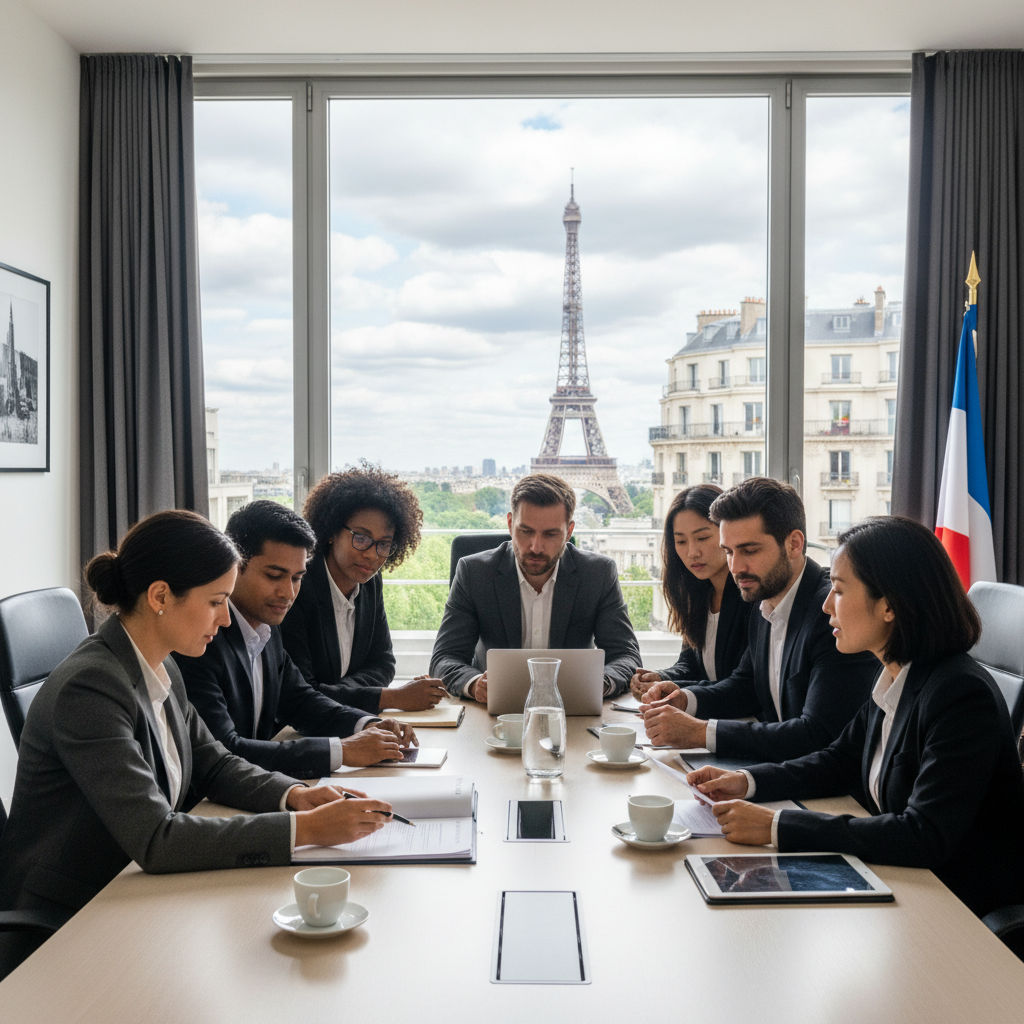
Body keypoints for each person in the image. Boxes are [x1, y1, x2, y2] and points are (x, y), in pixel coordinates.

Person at [0, 510, 396, 927]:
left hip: (131, 890)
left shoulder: (162, 666)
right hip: (68, 915)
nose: (225, 619)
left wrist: (295, 796)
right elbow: (157, 838)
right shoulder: (92, 688)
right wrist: (306, 829)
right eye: (215, 602)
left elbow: (215, 764)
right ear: (160, 597)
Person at [687, 516, 1024, 918]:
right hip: (901, 882)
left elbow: (923, 834)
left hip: (953, 908)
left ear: (889, 606)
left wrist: (777, 826)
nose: (827, 604)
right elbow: (839, 760)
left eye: (840, 590)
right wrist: (747, 781)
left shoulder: (959, 695)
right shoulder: (897, 673)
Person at [641, 476, 877, 761]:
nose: (736, 567)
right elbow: (745, 685)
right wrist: (686, 699)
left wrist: (701, 732)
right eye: (729, 551)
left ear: (794, 544)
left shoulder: (831, 614)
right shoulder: (761, 601)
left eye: (749, 550)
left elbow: (818, 734)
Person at [176, 500, 417, 778]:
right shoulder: (201, 641)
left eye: (297, 578)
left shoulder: (267, 628)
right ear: (234, 565)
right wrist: (343, 751)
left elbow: (300, 701)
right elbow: (225, 750)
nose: (288, 593)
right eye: (275, 576)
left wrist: (366, 724)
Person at [430, 472, 641, 702]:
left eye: (550, 534)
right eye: (526, 531)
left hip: (572, 710)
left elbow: (626, 656)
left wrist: (601, 683)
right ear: (510, 525)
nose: (536, 547)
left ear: (569, 532)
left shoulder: (598, 574)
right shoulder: (474, 573)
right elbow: (444, 658)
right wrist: (474, 685)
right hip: (492, 711)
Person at [281, 464, 447, 714]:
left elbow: (383, 663)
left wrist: (337, 691)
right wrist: (391, 698)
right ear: (331, 532)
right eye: (361, 537)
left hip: (347, 723)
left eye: (384, 544)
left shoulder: (369, 582)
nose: (371, 554)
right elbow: (303, 693)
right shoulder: (298, 585)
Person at [629, 484, 756, 701]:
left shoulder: (750, 595)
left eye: (702, 538)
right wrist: (659, 678)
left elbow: (742, 685)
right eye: (681, 542)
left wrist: (680, 694)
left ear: (727, 534)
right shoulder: (698, 593)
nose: (692, 552)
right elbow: (690, 666)